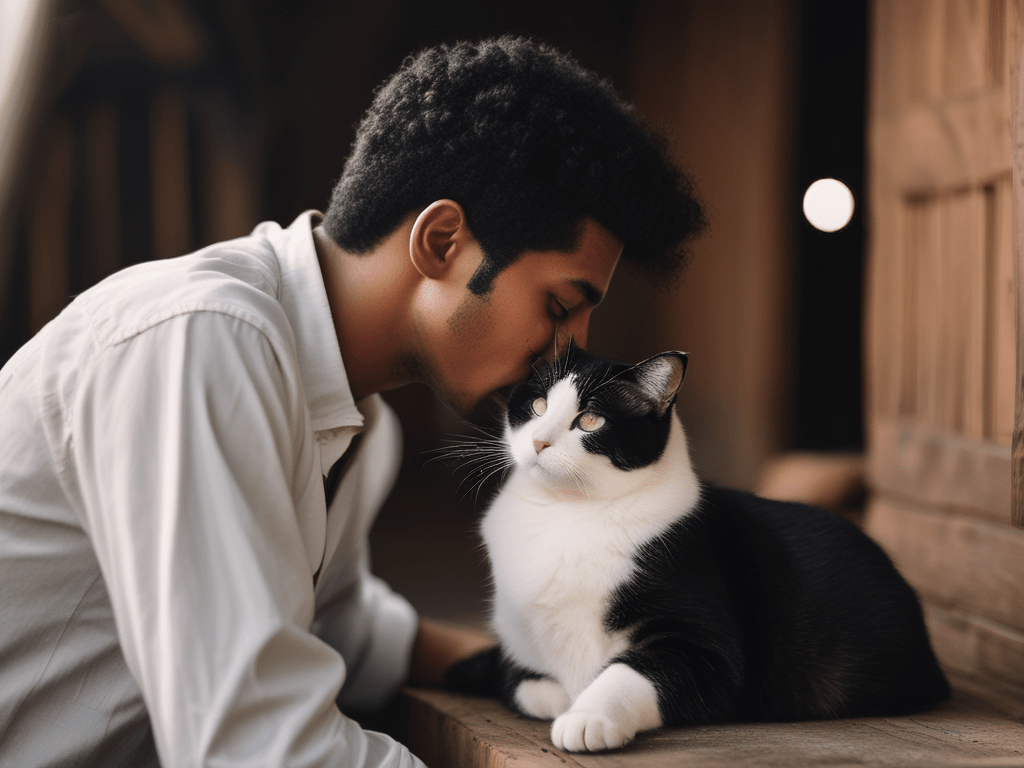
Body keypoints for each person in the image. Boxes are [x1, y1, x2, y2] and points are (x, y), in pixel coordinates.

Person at [0, 37, 704, 767]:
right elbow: (259, 749)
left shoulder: (358, 422)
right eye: (560, 305)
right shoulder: (202, 341)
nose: (569, 351)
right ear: (440, 241)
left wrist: (592, 667)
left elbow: (338, 629)